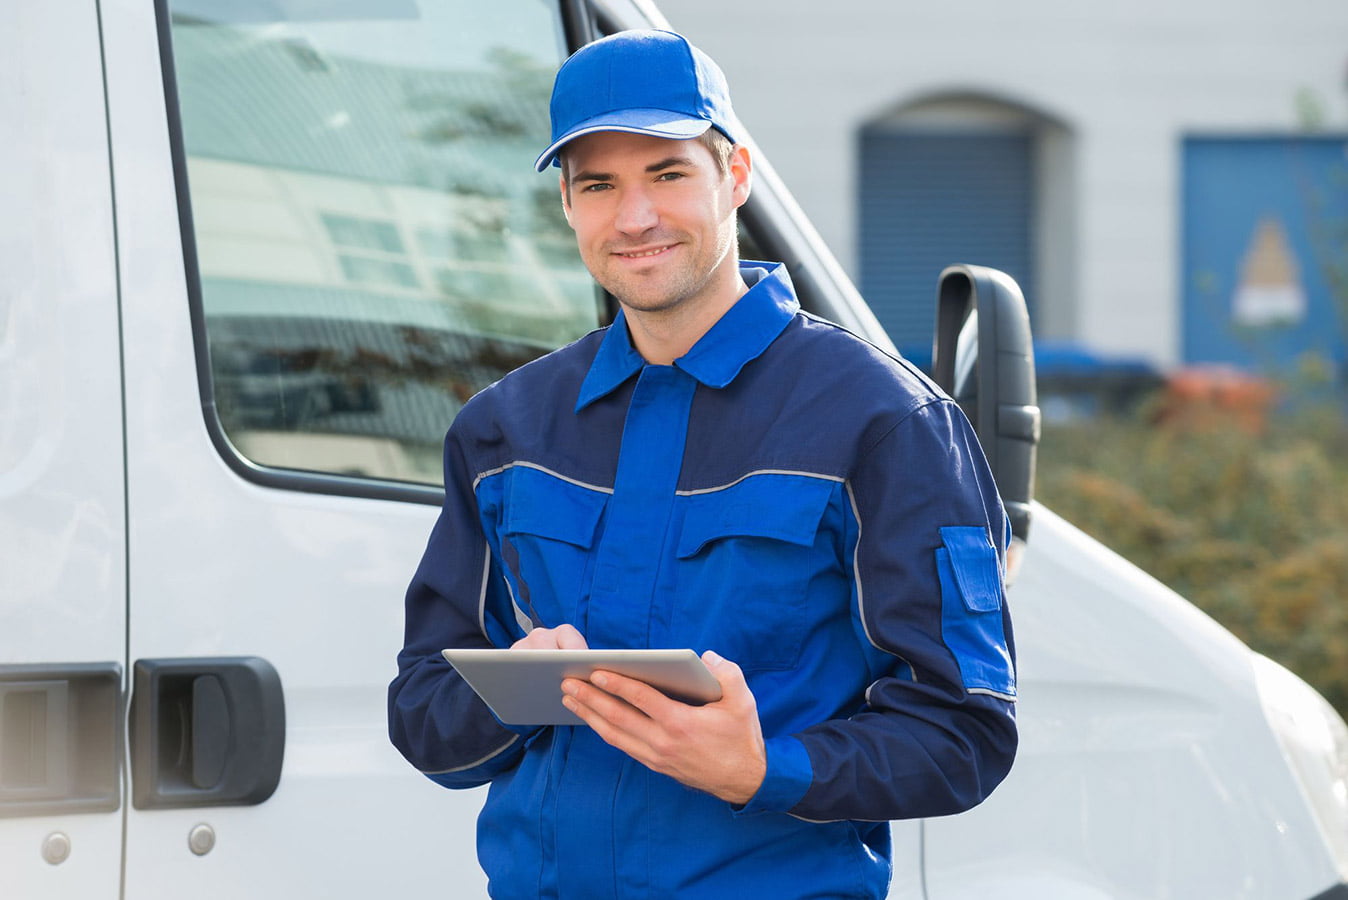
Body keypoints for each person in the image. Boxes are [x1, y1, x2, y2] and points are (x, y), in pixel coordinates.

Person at [389, 28, 1017, 899]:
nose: (635, 217)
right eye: (598, 185)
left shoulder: (883, 421)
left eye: (669, 173)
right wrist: (517, 690)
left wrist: (767, 769)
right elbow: (422, 706)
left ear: (736, 176)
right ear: (568, 207)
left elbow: (965, 732)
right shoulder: (505, 430)